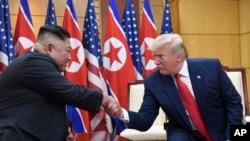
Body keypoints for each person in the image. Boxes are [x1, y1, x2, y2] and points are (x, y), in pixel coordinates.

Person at [0, 25, 122, 141]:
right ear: (49, 48)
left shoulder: (33, 62)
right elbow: (71, 92)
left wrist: (63, 130)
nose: (69, 57)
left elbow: (49, 102)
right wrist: (105, 99)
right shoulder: (33, 61)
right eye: (67, 51)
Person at [119, 33, 243, 141]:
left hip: (221, 129)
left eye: (160, 56)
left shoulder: (211, 67)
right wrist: (121, 113)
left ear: (178, 57)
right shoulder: (153, 82)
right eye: (154, 56)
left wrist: (231, 137)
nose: (155, 62)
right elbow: (145, 119)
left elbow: (233, 102)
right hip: (184, 132)